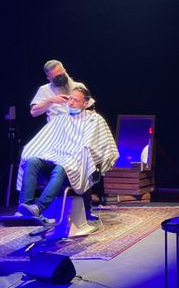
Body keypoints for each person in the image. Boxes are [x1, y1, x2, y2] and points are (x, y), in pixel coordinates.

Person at [16, 86, 118, 219]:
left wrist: (70, 154)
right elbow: (46, 140)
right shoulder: (61, 118)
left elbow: (93, 146)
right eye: (70, 98)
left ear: (85, 103)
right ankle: (25, 207)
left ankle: (38, 208)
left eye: (75, 100)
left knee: (61, 167)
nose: (70, 102)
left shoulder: (94, 120)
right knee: (32, 160)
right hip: (55, 157)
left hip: (76, 163)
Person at [30, 60, 94, 123]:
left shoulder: (79, 86)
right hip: (57, 129)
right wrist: (50, 101)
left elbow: (91, 109)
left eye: (62, 75)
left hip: (80, 126)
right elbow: (34, 112)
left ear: (65, 71)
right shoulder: (44, 90)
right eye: (56, 78)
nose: (60, 79)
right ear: (49, 79)